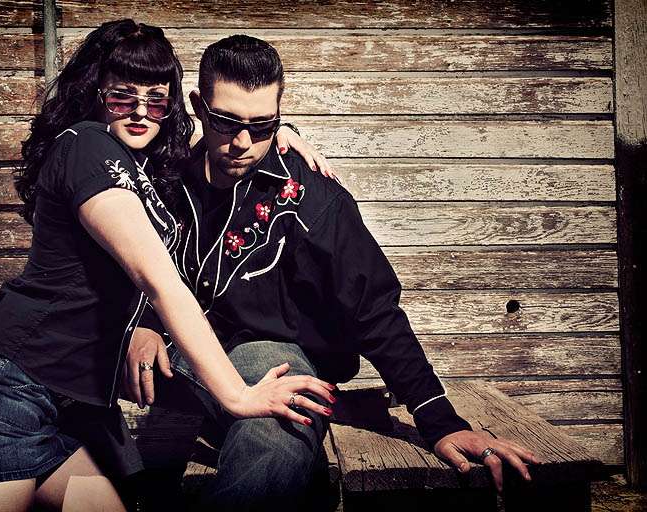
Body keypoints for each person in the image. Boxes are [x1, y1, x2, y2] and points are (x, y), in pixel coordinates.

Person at [0, 21, 335, 512]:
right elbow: (158, 279)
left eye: (157, 99)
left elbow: (216, 139)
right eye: (123, 97)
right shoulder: (86, 144)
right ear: (95, 92)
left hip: (62, 408)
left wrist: (277, 133)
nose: (141, 112)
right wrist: (237, 395)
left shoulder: (140, 165)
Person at [127, 34, 540, 511]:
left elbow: (374, 309)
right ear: (199, 107)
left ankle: (323, 409)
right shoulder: (165, 174)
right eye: (226, 122)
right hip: (175, 356)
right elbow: (133, 257)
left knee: (282, 423)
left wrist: (441, 423)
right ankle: (336, 407)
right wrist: (144, 322)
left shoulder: (313, 199)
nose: (242, 143)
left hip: (267, 356)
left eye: (263, 126)